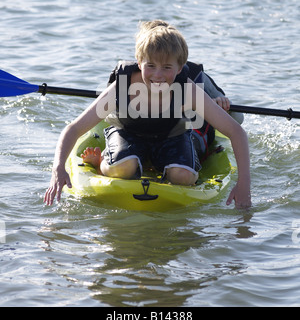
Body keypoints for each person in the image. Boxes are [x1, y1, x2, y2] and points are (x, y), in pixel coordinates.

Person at [44, 20, 251, 208]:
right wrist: (58, 169)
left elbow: (236, 132)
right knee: (124, 168)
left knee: (184, 176)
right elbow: (74, 128)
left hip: (172, 136)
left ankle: (161, 162)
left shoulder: (188, 91)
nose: (157, 75)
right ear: (139, 61)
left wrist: (244, 185)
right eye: (150, 65)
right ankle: (103, 163)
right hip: (128, 134)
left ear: (180, 68)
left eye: (167, 67)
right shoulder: (121, 87)